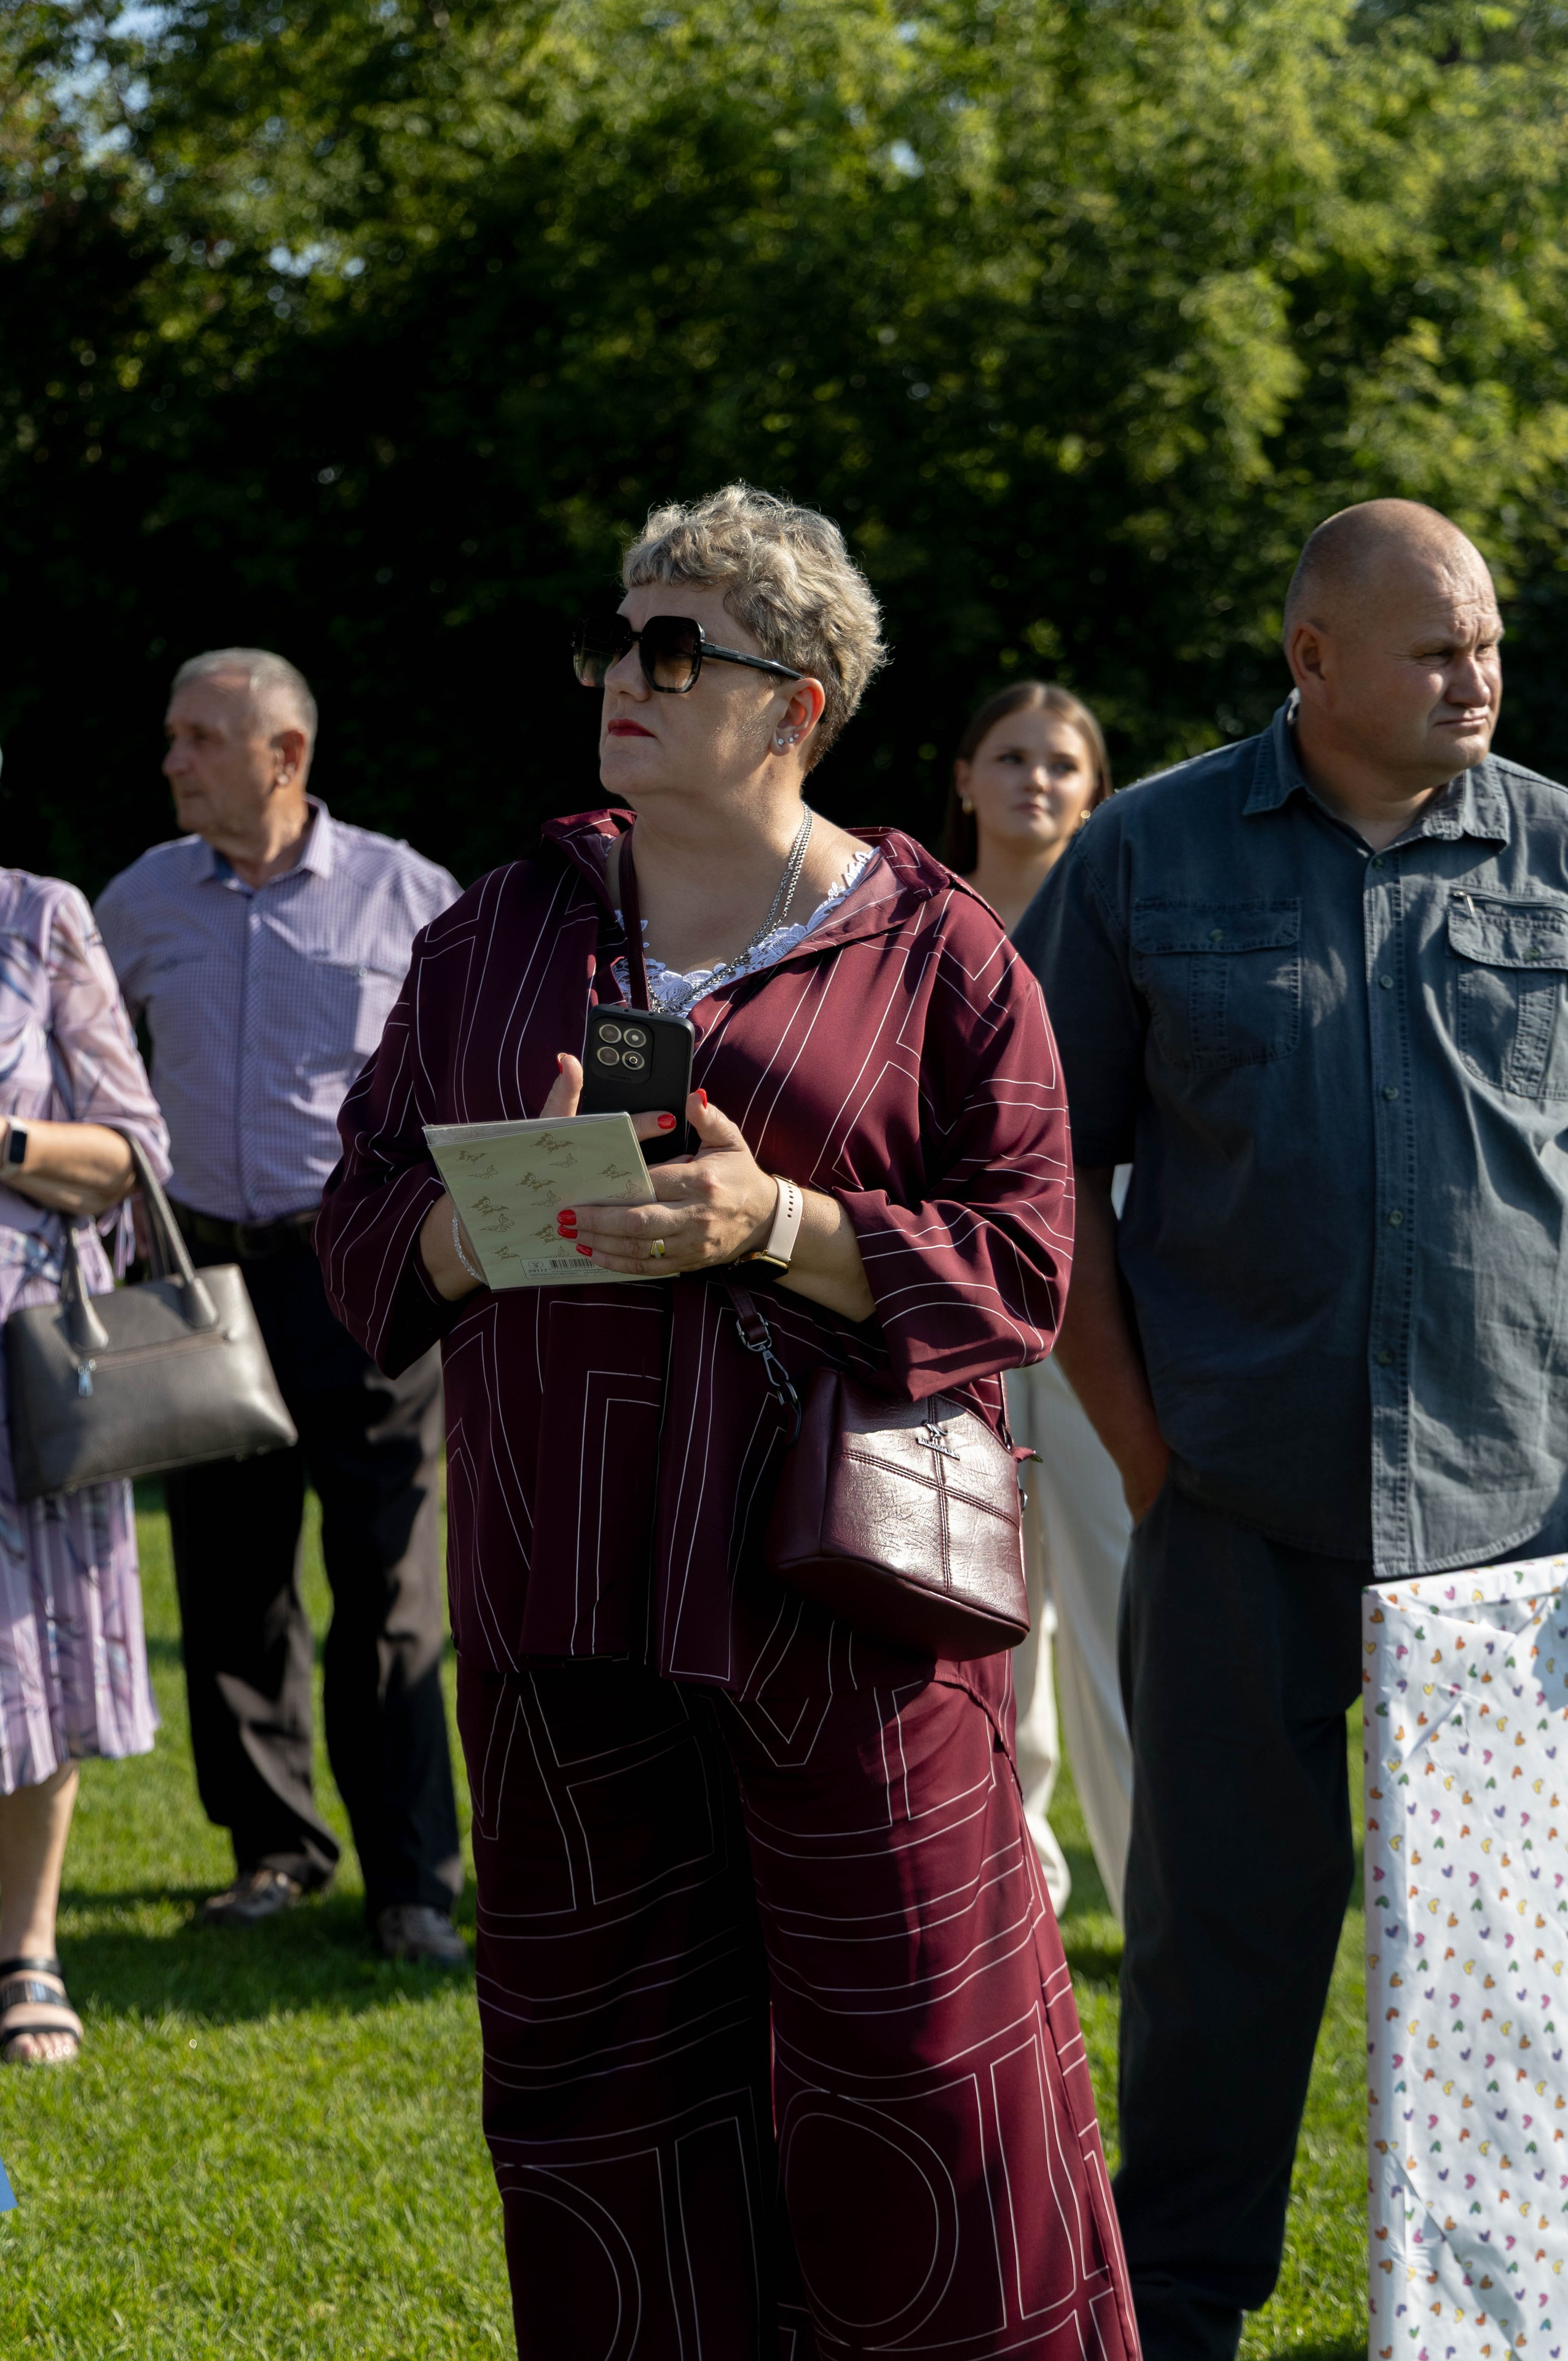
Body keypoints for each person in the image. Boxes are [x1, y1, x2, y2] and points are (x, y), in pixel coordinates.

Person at [317, 484, 1139, 2359]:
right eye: (616, 636)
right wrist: (473, 1227)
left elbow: (1024, 1261)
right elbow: (359, 1218)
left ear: (799, 704)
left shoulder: (940, 952)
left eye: (676, 647)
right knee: (604, 2108)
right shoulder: (497, 933)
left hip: (845, 1614)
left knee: (922, 2090)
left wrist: (780, 1224)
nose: (625, 671)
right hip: (566, 1606)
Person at [1017, 496, 1568, 2361]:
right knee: (1215, 1945)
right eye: (1435, 650)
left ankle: (1505, 2313)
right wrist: (1147, 1456)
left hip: (1518, 1521)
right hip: (1237, 1499)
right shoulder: (1146, 852)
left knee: (1510, 1962)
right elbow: (1046, 1179)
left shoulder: (1561, 851)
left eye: (1487, 643)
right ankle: (1177, 2306)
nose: (1476, 679)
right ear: (1310, 658)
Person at [96, 648, 467, 1963]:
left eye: (201, 738)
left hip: (361, 1271)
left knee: (388, 1581)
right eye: (173, 735)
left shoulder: (409, 895)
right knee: (229, 1575)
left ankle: (412, 1881)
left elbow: (466, 1081)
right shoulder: (137, 900)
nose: (174, 761)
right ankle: (273, 1850)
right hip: (200, 1278)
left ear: (286, 755)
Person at [945, 682, 1133, 1916]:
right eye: (1010, 757)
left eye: (1061, 764)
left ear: (1094, 794)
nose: (1035, 781)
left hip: (1104, 1306)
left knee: (1122, 1614)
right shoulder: (917, 922)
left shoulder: (1126, 926)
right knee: (984, 1617)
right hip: (960, 1299)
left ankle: (1151, 1893)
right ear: (963, 778)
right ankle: (1013, 1896)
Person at [0, 868, 170, 2063]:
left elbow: (130, 1153)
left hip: (25, 1369)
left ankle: (27, 1950)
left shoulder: (38, 918)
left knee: (28, 1651)